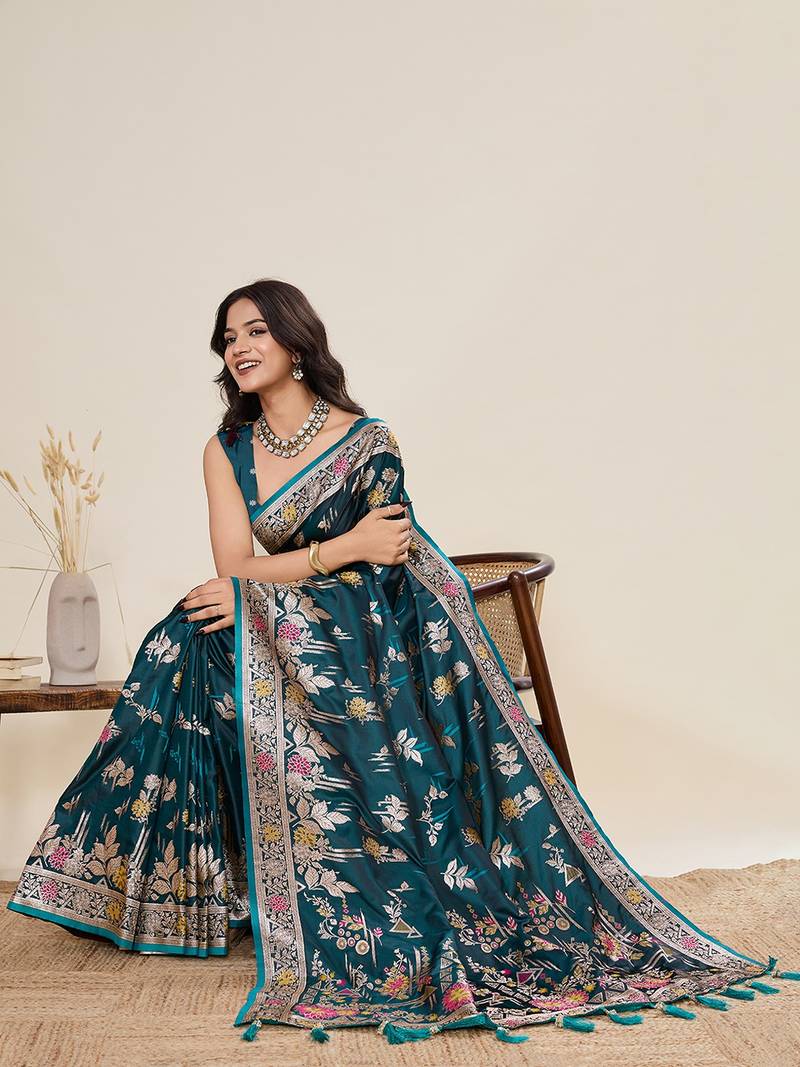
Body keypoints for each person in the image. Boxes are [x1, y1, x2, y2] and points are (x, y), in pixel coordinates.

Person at [7, 279, 797, 1047]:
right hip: (291, 626)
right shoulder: (227, 449)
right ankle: (180, 889)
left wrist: (317, 565)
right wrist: (331, 552)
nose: (237, 346)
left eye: (254, 330)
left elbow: (385, 567)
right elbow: (235, 568)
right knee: (184, 635)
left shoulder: (367, 441)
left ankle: (253, 885)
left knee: (206, 634)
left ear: (295, 340)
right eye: (227, 337)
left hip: (377, 643)